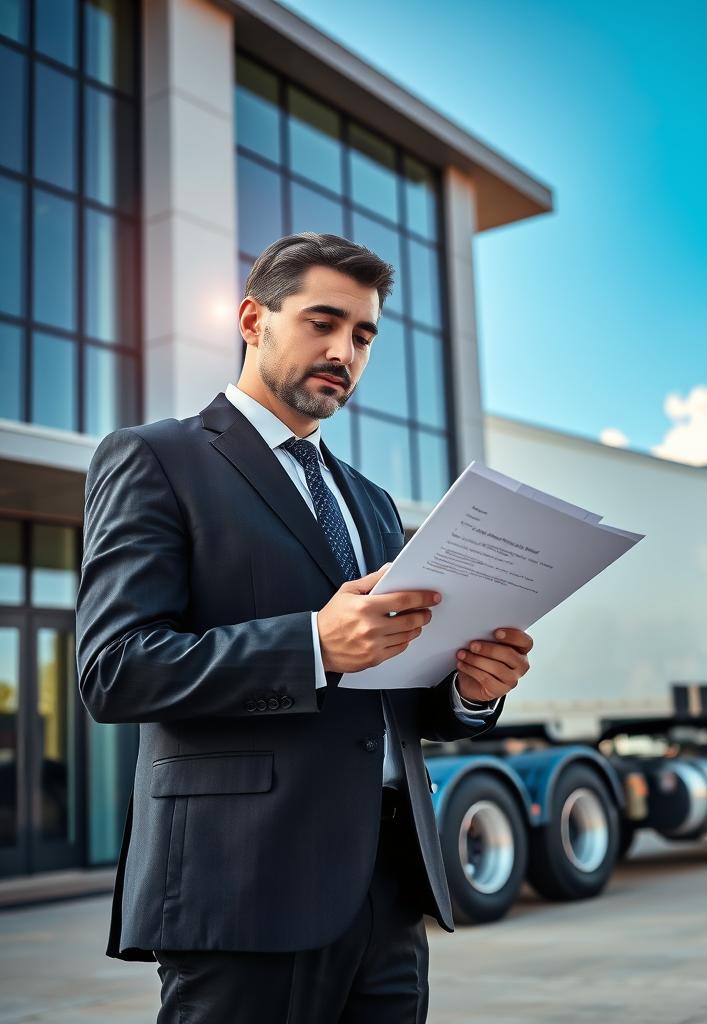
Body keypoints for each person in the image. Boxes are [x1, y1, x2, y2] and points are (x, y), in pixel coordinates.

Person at [75, 232, 533, 1023]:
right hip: (242, 886)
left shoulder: (373, 503)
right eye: (323, 322)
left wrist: (467, 690)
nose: (344, 351)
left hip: (387, 891)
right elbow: (115, 668)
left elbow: (393, 694)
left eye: (362, 334)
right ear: (253, 319)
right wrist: (312, 645)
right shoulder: (156, 459)